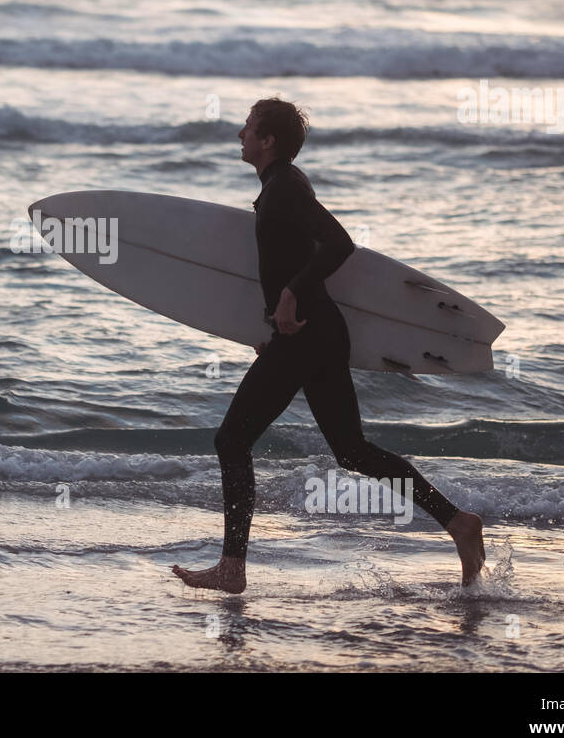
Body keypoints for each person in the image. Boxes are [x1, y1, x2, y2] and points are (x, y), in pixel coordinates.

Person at [172, 98, 486, 594]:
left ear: (267, 140)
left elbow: (339, 244)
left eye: (248, 128)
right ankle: (457, 523)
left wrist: (294, 295)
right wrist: (274, 322)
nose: (239, 135)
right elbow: (286, 262)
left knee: (231, 441)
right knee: (352, 451)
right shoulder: (278, 188)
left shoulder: (286, 188)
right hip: (308, 335)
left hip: (309, 336)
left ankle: (232, 568)